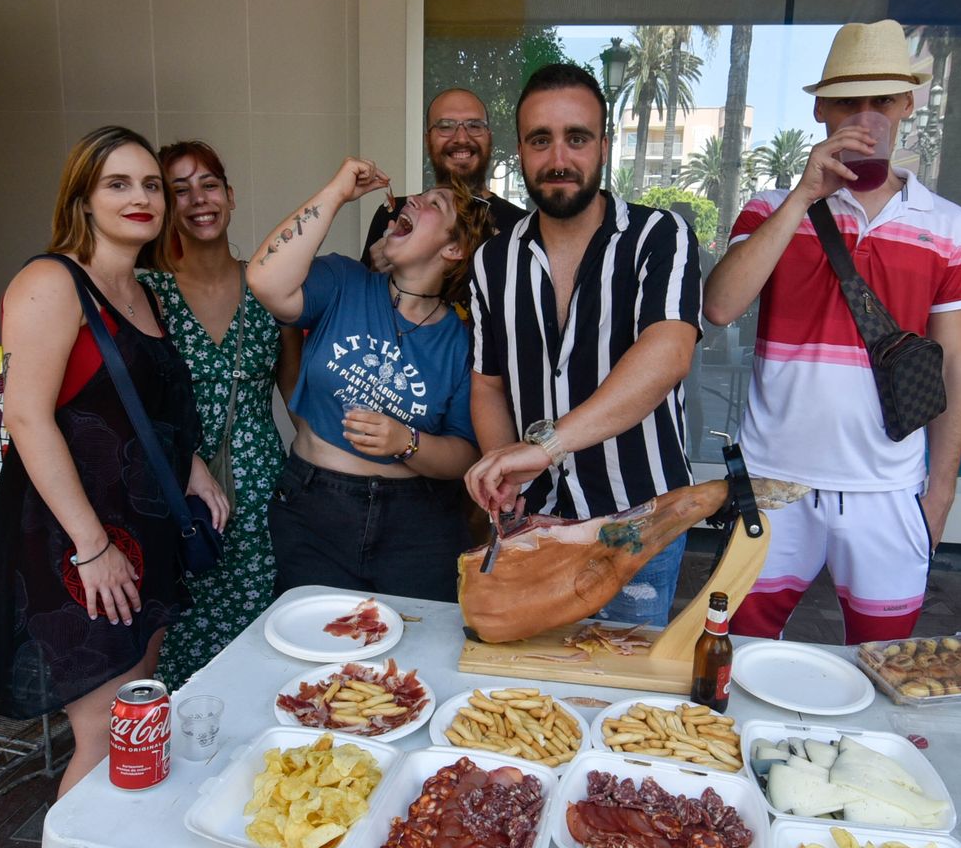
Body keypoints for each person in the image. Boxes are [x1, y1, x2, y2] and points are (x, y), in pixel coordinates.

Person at [0, 126, 227, 848]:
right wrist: (91, 545)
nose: (143, 198)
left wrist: (193, 468)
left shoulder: (143, 292)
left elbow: (141, 408)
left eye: (151, 185)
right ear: (83, 198)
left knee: (136, 721)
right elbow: (27, 416)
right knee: (102, 732)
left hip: (142, 537)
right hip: (79, 546)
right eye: (119, 184)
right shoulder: (51, 282)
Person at [702, 20, 961, 644]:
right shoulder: (771, 208)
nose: (865, 116)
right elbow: (719, 307)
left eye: (881, 100)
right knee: (737, 649)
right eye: (849, 101)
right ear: (821, 108)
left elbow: (955, 363)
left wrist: (942, 491)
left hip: (888, 488)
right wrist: (804, 195)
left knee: (885, 661)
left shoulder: (950, 226)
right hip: (776, 480)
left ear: (908, 104)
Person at [462, 63, 703, 628]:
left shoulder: (659, 236)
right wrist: (507, 475)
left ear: (604, 146)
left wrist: (544, 447)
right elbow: (488, 383)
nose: (558, 159)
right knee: (530, 699)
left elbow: (668, 353)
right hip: (537, 525)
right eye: (540, 140)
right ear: (519, 150)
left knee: (619, 691)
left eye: (577, 138)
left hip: (639, 526)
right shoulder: (492, 262)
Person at [246, 158, 494, 601]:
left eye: (434, 202)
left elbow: (465, 454)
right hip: (314, 509)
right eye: (416, 196)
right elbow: (266, 280)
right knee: (317, 657)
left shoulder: (462, 342)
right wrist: (337, 192)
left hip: (417, 525)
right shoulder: (344, 281)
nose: (413, 200)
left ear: (454, 249)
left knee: (415, 657)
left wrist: (406, 442)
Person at [148, 140, 302, 688]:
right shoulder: (149, 292)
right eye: (178, 190)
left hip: (260, 489)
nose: (198, 199)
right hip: (174, 491)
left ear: (230, 196)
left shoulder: (265, 284)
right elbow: (134, 403)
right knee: (177, 639)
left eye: (208, 184)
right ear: (164, 206)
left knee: (261, 639)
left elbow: (295, 394)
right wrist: (183, 457)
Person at [363, 88, 527, 272]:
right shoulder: (395, 215)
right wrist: (373, 275)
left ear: (489, 138)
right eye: (445, 126)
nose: (462, 138)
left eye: (474, 125)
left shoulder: (521, 226)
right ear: (427, 141)